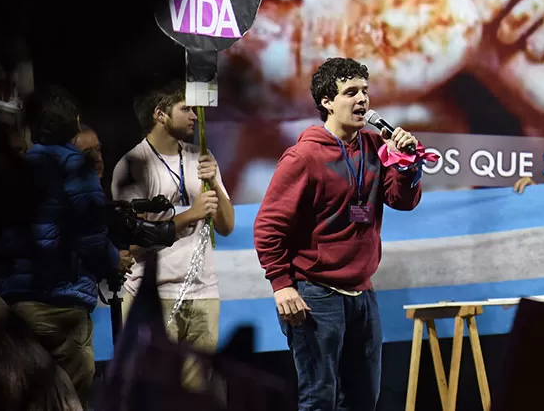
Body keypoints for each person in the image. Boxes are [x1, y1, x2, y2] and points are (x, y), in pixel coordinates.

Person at [253, 58, 425, 411]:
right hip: (316, 295)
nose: (362, 99)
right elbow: (269, 227)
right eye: (351, 92)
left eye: (364, 91)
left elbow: (400, 201)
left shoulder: (378, 147)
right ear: (327, 102)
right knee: (319, 399)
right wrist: (282, 284)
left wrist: (408, 167)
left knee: (364, 399)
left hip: (362, 294)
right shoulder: (303, 156)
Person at [0, 87, 122, 405]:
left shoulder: (15, 169)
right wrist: (114, 260)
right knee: (70, 398)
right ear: (75, 124)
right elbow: (92, 238)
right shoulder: (74, 167)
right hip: (62, 304)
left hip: (17, 306)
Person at [111, 84, 235, 387]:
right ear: (160, 114)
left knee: (200, 396)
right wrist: (190, 215)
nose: (195, 116)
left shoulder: (202, 157)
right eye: (186, 109)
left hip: (203, 293)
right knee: (154, 391)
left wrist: (215, 186)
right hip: (153, 295)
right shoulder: (132, 165)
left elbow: (227, 226)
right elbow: (131, 243)